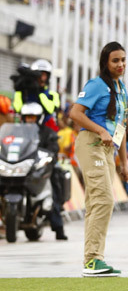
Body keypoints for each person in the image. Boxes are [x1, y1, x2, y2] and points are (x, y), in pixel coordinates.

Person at [69, 42, 128, 277]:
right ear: (105, 62)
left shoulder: (122, 89)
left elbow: (121, 127)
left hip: (108, 150)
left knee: (97, 202)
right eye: (115, 60)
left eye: (123, 60)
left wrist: (123, 163)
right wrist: (100, 130)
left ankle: (93, 260)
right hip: (91, 144)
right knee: (104, 199)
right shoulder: (96, 85)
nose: (120, 64)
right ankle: (93, 260)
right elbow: (75, 113)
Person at [20, 102, 67, 240]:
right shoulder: (18, 132)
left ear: (38, 118)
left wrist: (49, 155)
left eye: (33, 117)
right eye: (28, 117)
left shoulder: (47, 133)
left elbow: (53, 148)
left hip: (39, 168)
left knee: (53, 189)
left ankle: (59, 228)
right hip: (21, 168)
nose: (30, 120)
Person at [13, 59, 60, 132]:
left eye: (44, 75)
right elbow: (18, 108)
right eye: (39, 75)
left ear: (48, 77)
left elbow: (50, 110)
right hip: (25, 129)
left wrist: (39, 92)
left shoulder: (53, 94)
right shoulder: (24, 92)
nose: (41, 78)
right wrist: (20, 90)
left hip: (45, 131)